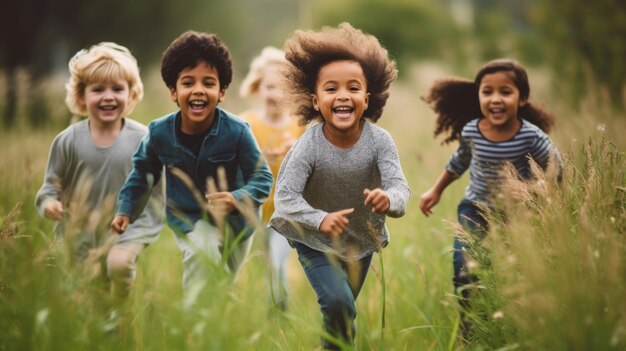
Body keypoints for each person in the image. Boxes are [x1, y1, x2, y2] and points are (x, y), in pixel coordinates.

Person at [268, 23, 411, 349]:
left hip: (360, 241)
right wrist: (321, 219)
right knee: (338, 305)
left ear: (367, 97)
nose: (343, 95)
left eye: (353, 88)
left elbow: (400, 188)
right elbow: (285, 197)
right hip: (313, 239)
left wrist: (388, 199)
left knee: (341, 317)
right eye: (331, 89)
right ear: (316, 101)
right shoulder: (309, 145)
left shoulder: (380, 142)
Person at [111, 31, 273, 294]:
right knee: (203, 257)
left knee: (222, 287)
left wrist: (237, 198)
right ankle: (193, 329)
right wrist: (125, 210)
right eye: (188, 83)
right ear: (174, 92)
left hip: (238, 224)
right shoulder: (159, 133)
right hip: (189, 217)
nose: (198, 90)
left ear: (221, 92)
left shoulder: (238, 131)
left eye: (208, 83)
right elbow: (142, 173)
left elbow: (263, 178)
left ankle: (216, 324)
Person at [418, 58, 563, 336]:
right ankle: (469, 328)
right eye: (487, 92)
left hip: (519, 214)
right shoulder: (473, 130)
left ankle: (513, 326)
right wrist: (435, 191)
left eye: (505, 92)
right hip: (474, 208)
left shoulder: (531, 138)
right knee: (464, 267)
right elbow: (458, 163)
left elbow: (556, 171)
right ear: (479, 96)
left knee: (513, 272)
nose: (495, 99)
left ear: (522, 99)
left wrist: (536, 194)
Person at [35, 42, 164, 299]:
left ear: (131, 94)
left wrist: (143, 224)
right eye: (98, 89)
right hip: (80, 233)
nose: (108, 96)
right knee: (89, 295)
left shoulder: (144, 138)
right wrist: (49, 204)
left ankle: (122, 313)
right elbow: (50, 188)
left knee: (117, 265)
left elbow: (156, 192)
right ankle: (106, 329)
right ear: (82, 96)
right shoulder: (67, 141)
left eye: (117, 89)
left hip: (128, 229)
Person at [239, 46, 306, 311]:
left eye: (283, 87)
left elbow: (309, 170)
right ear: (257, 87)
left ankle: (279, 315)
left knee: (277, 264)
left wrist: (295, 153)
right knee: (251, 266)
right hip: (251, 210)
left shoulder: (298, 126)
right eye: (269, 87)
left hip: (284, 211)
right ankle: (245, 313)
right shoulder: (246, 124)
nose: (276, 94)